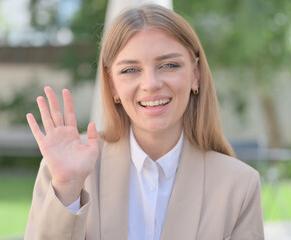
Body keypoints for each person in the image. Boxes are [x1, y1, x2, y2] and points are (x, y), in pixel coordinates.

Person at [24, 4, 264, 240]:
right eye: (130, 70)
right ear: (112, 85)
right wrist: (68, 188)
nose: (151, 83)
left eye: (169, 65)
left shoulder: (239, 185)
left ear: (195, 74)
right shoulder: (67, 168)